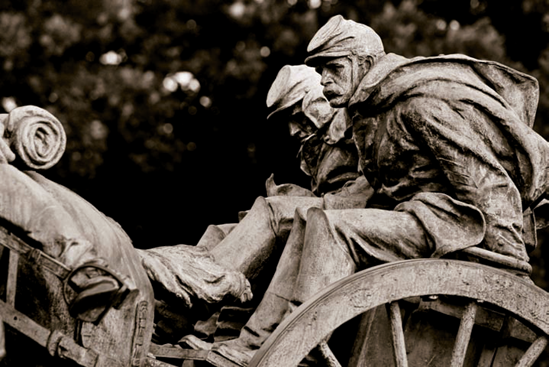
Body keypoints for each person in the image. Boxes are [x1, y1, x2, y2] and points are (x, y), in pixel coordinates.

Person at [209, 15, 549, 366]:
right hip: (411, 218)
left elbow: (487, 181)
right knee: (310, 219)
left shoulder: (418, 103)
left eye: (334, 68)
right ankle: (257, 342)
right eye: (320, 70)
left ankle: (304, 343)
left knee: (332, 229)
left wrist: (511, 268)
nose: (324, 80)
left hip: (453, 226)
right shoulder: (368, 112)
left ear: (365, 63)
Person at [139, 64, 370, 343]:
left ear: (316, 101)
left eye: (297, 117)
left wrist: (303, 200)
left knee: (270, 212)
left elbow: (370, 185)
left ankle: (189, 300)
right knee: (224, 230)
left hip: (356, 219)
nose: (293, 130)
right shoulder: (316, 145)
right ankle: (185, 321)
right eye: (288, 121)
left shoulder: (352, 124)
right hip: (331, 211)